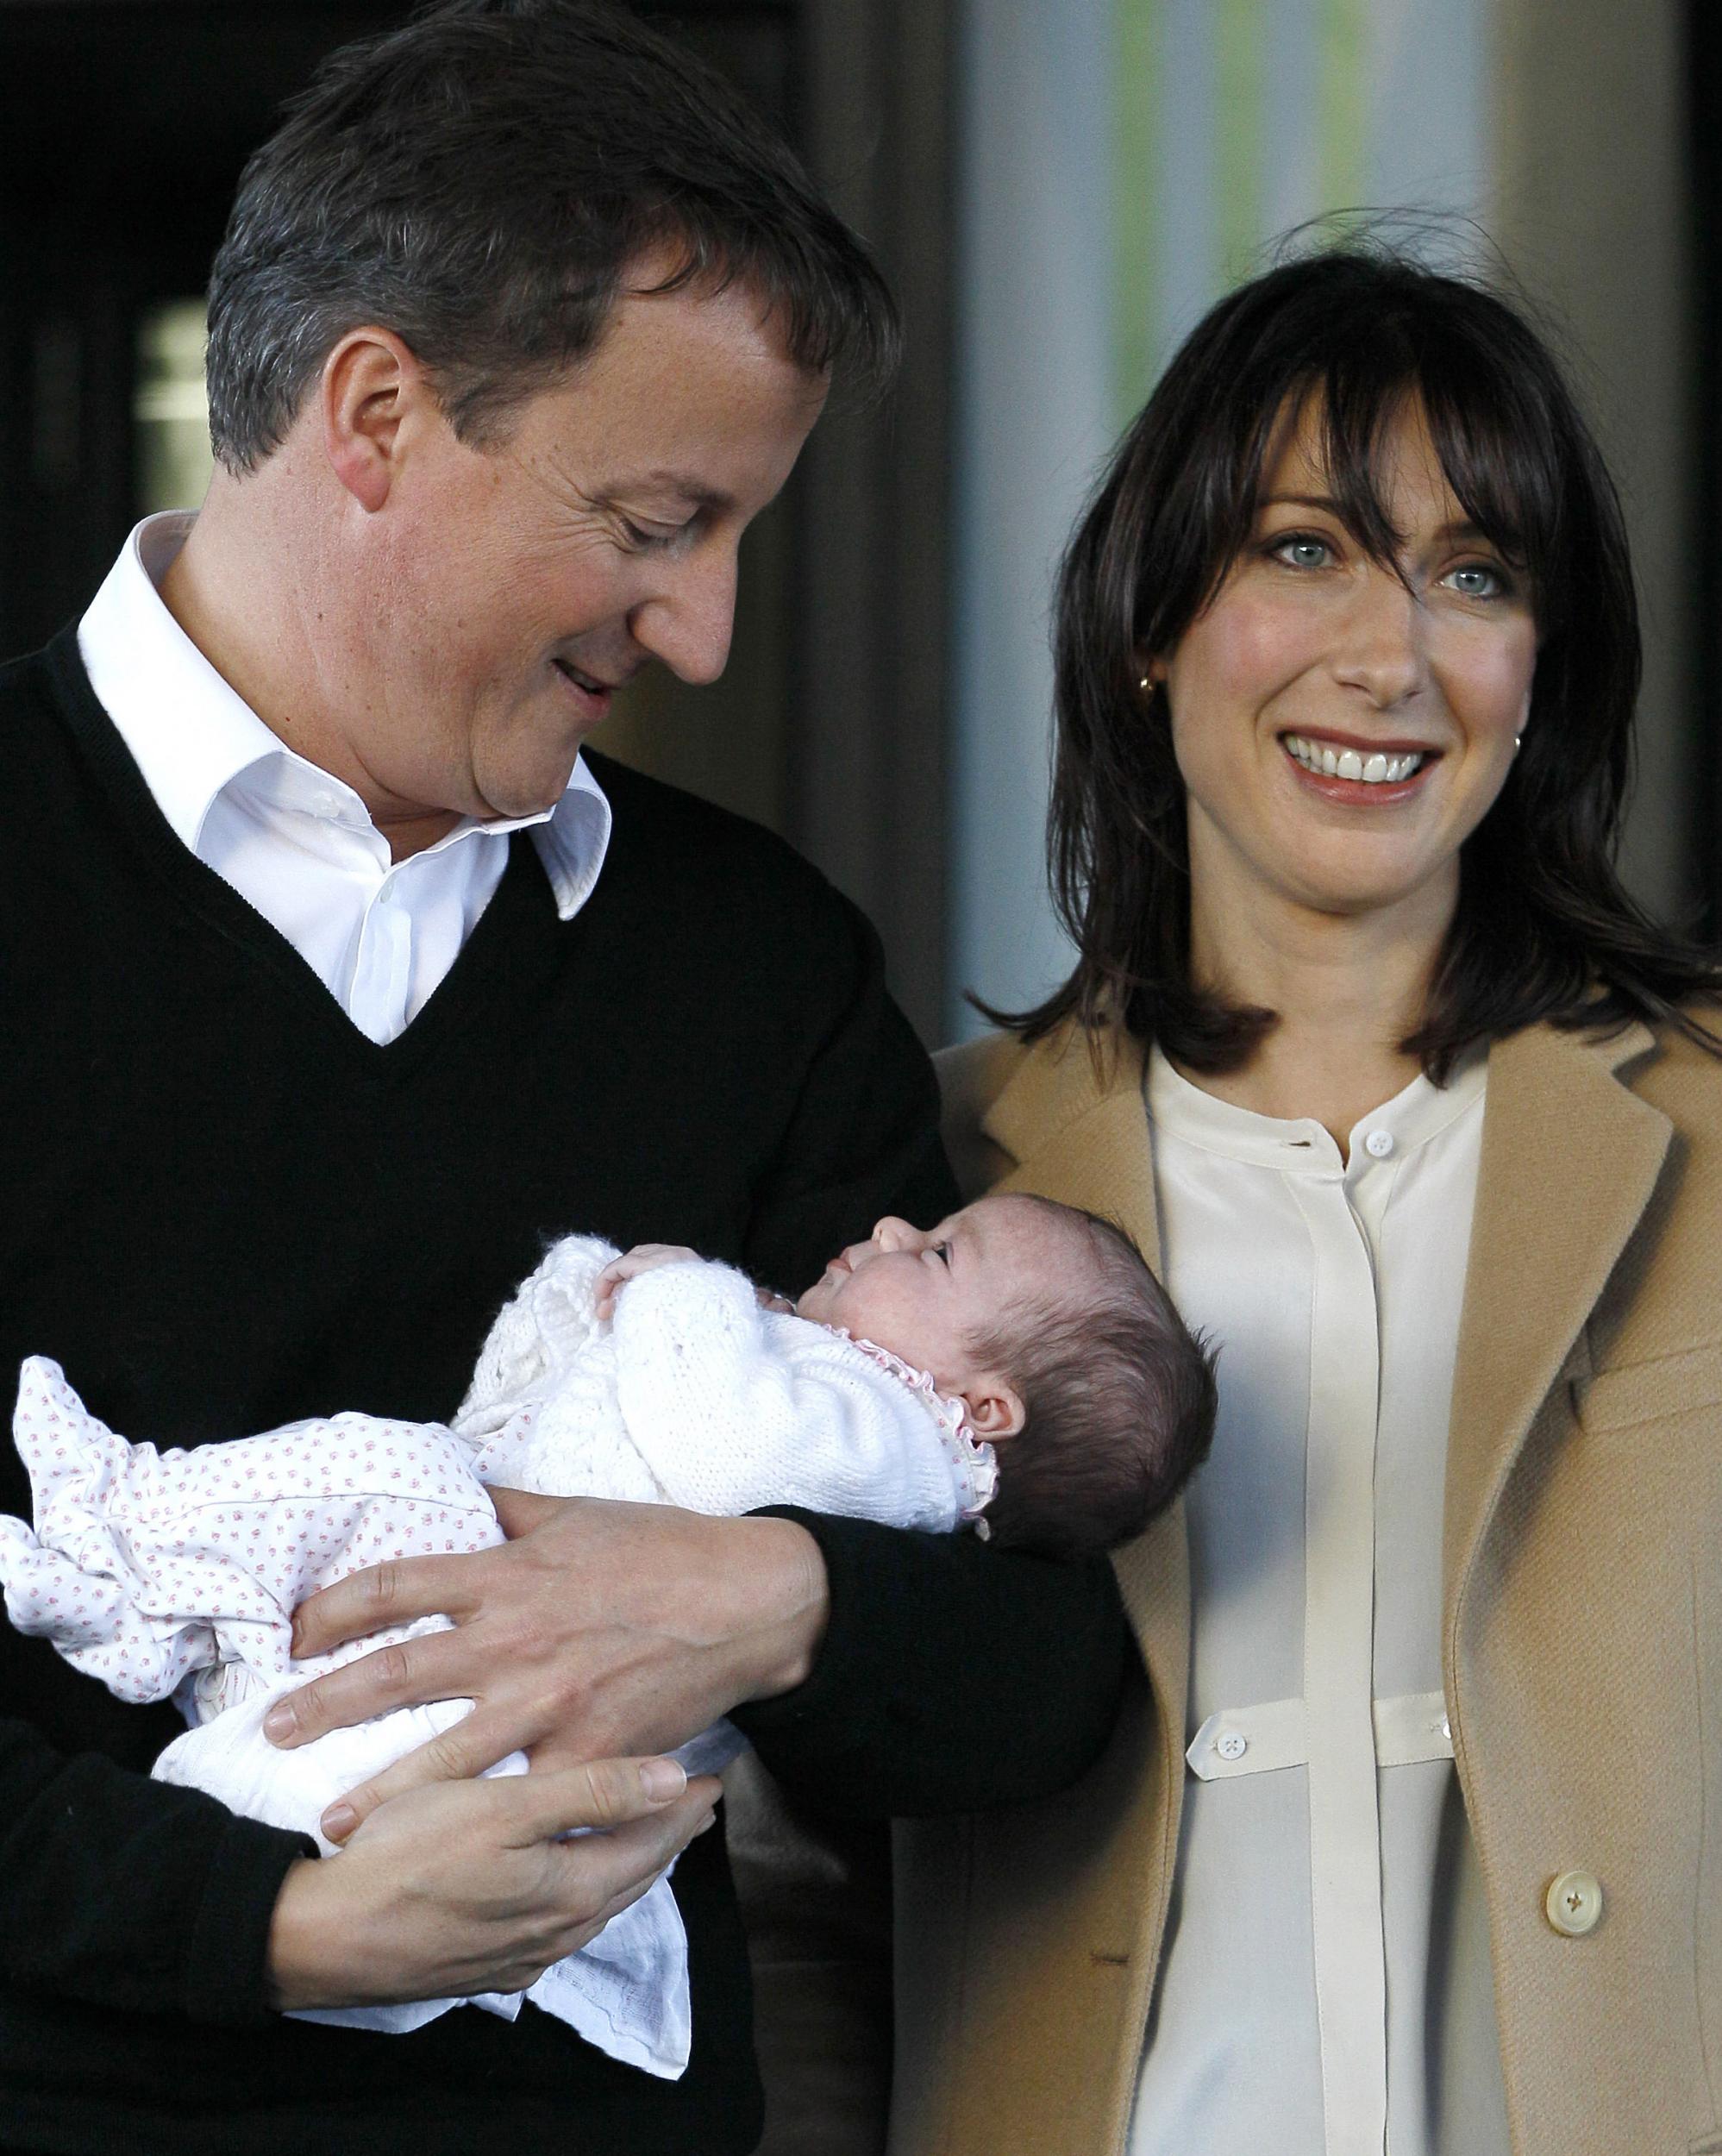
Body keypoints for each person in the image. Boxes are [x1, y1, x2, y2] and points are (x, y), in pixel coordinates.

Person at [0, 6, 1130, 2153]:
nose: (703, 628)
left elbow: (1043, 1671)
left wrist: (775, 1595)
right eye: (656, 519)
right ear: (377, 416)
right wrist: (266, 1922)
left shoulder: (754, 966)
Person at [891, 244, 1722, 2156]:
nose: (1391, 654)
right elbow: (800, 1881)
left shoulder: (1710, 1127)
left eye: (1476, 573)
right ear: (1146, 621)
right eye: (1302, 548)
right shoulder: (928, 1179)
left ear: (1543, 671)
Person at [0, 1198, 1214, 2075]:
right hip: (457, 1662)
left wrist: (686, 1286)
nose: (892, 1227)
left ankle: (121, 1536)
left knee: (389, 1464)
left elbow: (719, 1442)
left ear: (979, 1410)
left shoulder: (884, 1437)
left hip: (489, 1663)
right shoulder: (858, 1407)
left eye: (939, 1252)